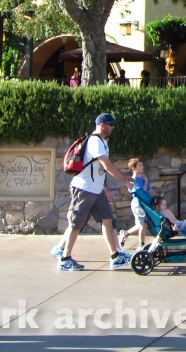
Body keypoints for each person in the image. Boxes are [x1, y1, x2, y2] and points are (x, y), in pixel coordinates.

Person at [50, 113, 133, 271]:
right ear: (102, 125)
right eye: (110, 125)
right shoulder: (95, 141)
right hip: (83, 189)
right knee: (76, 224)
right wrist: (125, 179)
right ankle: (65, 259)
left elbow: (97, 170)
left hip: (96, 190)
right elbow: (107, 166)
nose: (113, 128)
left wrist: (104, 188)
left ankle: (115, 256)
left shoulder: (103, 141)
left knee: (107, 219)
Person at [119, 158, 151, 249]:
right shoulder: (133, 180)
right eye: (139, 165)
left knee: (141, 225)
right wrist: (146, 182)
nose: (142, 167)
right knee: (143, 225)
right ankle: (141, 245)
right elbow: (142, 192)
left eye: (142, 165)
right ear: (133, 168)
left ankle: (125, 233)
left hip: (144, 204)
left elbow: (150, 190)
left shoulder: (143, 178)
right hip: (137, 205)